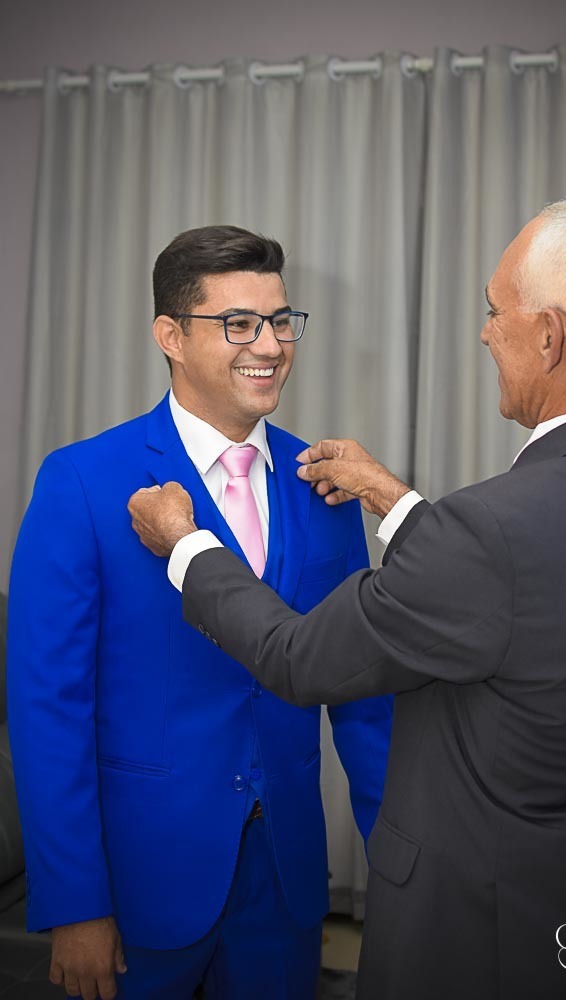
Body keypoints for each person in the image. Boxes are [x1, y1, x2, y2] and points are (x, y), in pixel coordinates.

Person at [128, 199, 566, 1000]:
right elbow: (543, 582)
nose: (483, 332)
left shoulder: (494, 528)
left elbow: (298, 658)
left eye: (495, 311)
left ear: (548, 337)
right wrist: (398, 501)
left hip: (486, 918)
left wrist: (185, 545)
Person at [7, 225, 392, 1000]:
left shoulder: (324, 484)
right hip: (139, 877)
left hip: (284, 878)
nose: (270, 345)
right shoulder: (82, 480)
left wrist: (398, 862)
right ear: (170, 337)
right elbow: (47, 707)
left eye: (279, 320)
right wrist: (75, 902)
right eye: (238, 323)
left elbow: (361, 692)